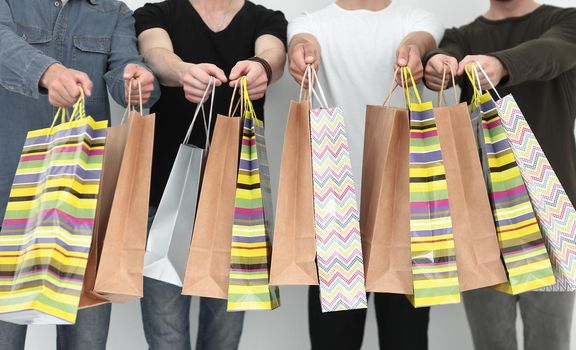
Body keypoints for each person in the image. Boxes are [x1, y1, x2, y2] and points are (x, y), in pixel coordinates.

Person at [0, 0, 159, 349]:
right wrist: (46, 72)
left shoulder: (114, 12)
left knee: (85, 342)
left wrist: (138, 79)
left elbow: (124, 68)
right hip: (8, 197)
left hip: (83, 205)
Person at [288, 0, 443, 349]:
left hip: (403, 211)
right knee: (334, 341)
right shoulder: (311, 22)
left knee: (406, 339)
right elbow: (302, 41)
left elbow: (422, 39)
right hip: (335, 213)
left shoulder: (414, 18)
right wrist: (301, 51)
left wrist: (414, 49)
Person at [133, 0, 286, 349]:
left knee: (223, 340)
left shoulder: (265, 18)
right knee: (167, 339)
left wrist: (262, 66)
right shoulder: (156, 13)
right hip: (163, 201)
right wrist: (183, 72)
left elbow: (273, 53)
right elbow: (155, 52)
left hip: (237, 205)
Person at [423, 1, 576, 349]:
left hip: (551, 214)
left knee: (550, 342)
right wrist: (437, 63)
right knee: (490, 343)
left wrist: (500, 64)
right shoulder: (463, 36)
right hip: (479, 217)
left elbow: (553, 52)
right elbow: (446, 52)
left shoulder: (565, 20)